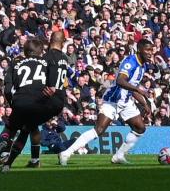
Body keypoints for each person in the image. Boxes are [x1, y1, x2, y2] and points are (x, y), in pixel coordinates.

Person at [0, 25, 74, 172]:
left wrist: (11, 103)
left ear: (24, 51)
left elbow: (8, 89)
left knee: (12, 126)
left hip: (20, 101)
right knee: (29, 128)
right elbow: (53, 82)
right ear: (41, 51)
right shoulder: (46, 62)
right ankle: (18, 162)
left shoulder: (15, 63)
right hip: (41, 101)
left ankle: (5, 147)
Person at [60, 36, 154, 165]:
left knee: (140, 128)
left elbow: (131, 88)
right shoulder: (131, 62)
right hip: (113, 100)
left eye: (152, 50)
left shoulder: (143, 67)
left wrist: (144, 102)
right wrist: (140, 91)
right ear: (139, 49)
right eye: (147, 50)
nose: (150, 52)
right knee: (99, 130)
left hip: (126, 102)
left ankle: (119, 156)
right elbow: (121, 81)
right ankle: (66, 153)